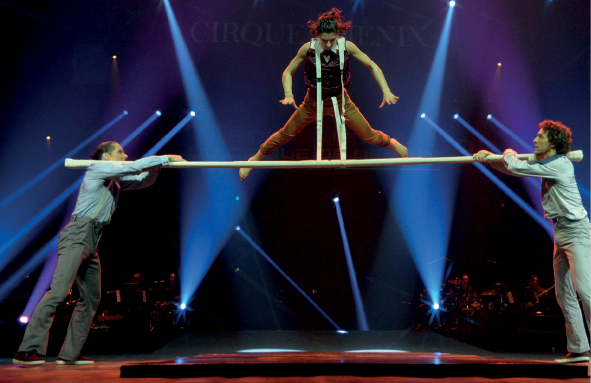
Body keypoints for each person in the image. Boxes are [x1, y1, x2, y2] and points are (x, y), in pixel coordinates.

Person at [13, 141, 185, 365]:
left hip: (93, 239)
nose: (125, 156)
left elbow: (143, 181)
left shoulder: (115, 179)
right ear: (105, 157)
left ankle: (69, 354)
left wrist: (157, 167)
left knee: (92, 298)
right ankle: (27, 350)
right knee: (58, 293)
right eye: (120, 153)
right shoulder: (97, 169)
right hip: (78, 234)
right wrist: (165, 157)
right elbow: (131, 168)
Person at [239, 8, 408, 180]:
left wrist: (386, 91)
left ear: (338, 34)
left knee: (369, 136)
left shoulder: (346, 46)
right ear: (317, 35)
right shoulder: (307, 48)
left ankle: (391, 142)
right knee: (284, 135)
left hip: (341, 101)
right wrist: (289, 94)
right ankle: (253, 160)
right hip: (312, 102)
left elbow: (372, 65)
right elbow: (288, 72)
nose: (328, 44)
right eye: (324, 40)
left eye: (331, 40)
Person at [474, 120, 591, 363]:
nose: (535, 140)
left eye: (540, 137)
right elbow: (512, 169)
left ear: (553, 142)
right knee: (564, 294)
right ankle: (580, 349)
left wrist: (506, 153)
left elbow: (515, 165)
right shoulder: (546, 163)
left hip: (577, 232)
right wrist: (490, 159)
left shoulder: (559, 164)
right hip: (561, 233)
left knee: (586, 292)